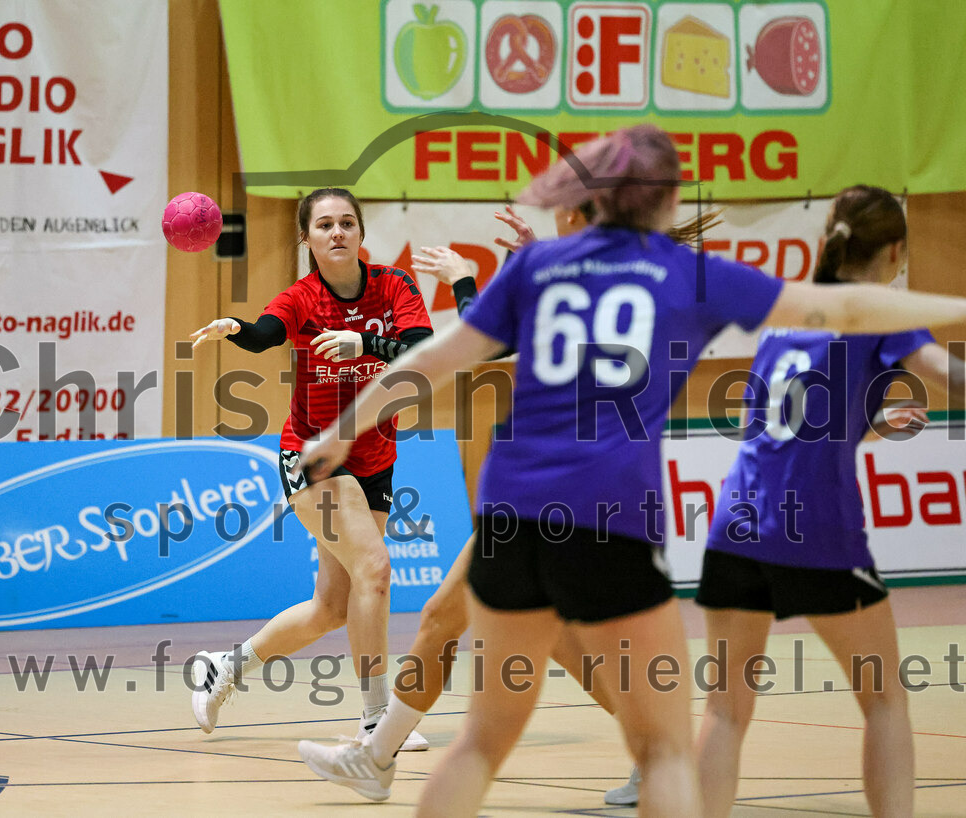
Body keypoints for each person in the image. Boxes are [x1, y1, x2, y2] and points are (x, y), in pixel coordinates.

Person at [296, 126, 966, 818]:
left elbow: (436, 359)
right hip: (607, 510)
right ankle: (380, 756)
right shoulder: (690, 275)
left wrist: (343, 428)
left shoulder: (539, 266)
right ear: (667, 200)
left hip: (512, 505)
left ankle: (376, 758)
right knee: (667, 749)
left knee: (480, 743)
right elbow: (847, 307)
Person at [296, 199, 721, 804]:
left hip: (553, 494)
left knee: (485, 637)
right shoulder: (627, 292)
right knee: (501, 631)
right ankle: (377, 756)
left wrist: (468, 280)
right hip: (552, 496)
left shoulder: (599, 298)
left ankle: (663, 758)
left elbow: (476, 346)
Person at [695, 185, 965, 818]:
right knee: (885, 700)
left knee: (725, 710)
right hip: (816, 528)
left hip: (736, 523)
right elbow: (948, 374)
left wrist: (866, 425)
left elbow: (778, 424)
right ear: (895, 252)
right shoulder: (877, 311)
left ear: (827, 240)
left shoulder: (790, 313)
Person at [186, 187, 432, 751]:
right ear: (307, 239)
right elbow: (264, 333)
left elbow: (421, 347)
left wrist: (364, 342)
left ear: (361, 233)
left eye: (347, 222)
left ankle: (225, 667)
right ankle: (377, 719)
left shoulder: (395, 285)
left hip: (375, 459)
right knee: (375, 568)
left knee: (332, 607)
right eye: (324, 225)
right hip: (314, 455)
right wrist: (235, 328)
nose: (337, 232)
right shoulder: (301, 298)